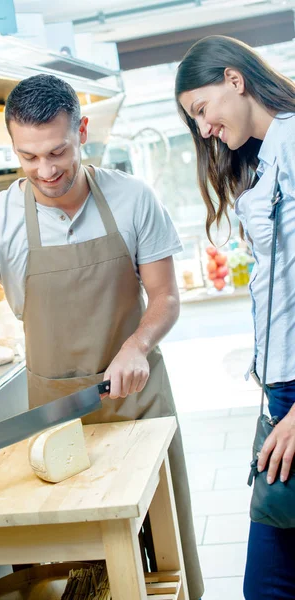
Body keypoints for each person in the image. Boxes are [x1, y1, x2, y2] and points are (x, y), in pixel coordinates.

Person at [0, 74, 203, 599]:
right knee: (84, 569)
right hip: (59, 422)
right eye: (28, 157)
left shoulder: (133, 198)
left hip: (139, 401)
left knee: (165, 551)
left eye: (57, 151)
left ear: (83, 132)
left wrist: (136, 345)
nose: (45, 171)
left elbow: (164, 297)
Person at [175, 34, 295, 600]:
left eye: (202, 110)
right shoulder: (266, 156)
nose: (204, 129)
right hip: (282, 395)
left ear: (234, 79)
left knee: (268, 585)